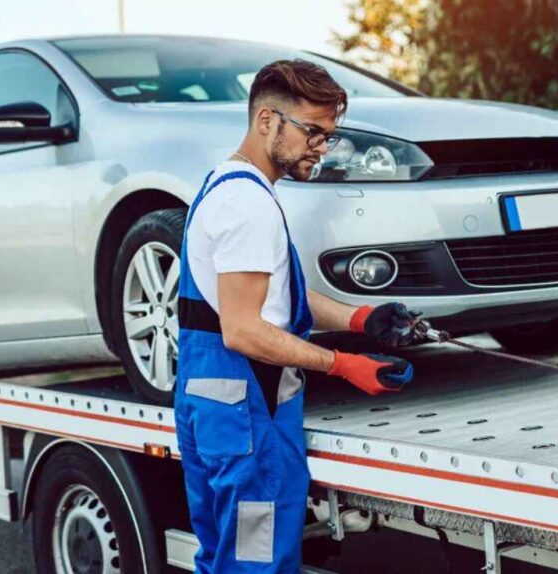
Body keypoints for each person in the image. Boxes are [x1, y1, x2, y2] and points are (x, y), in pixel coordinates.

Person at [174, 59, 417, 573]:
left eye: (327, 135)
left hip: (217, 406)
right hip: (250, 416)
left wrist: (360, 319)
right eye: (313, 132)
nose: (321, 148)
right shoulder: (249, 205)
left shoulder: (224, 186)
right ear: (267, 121)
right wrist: (341, 365)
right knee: (256, 564)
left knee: (224, 557)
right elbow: (243, 330)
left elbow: (266, 297)